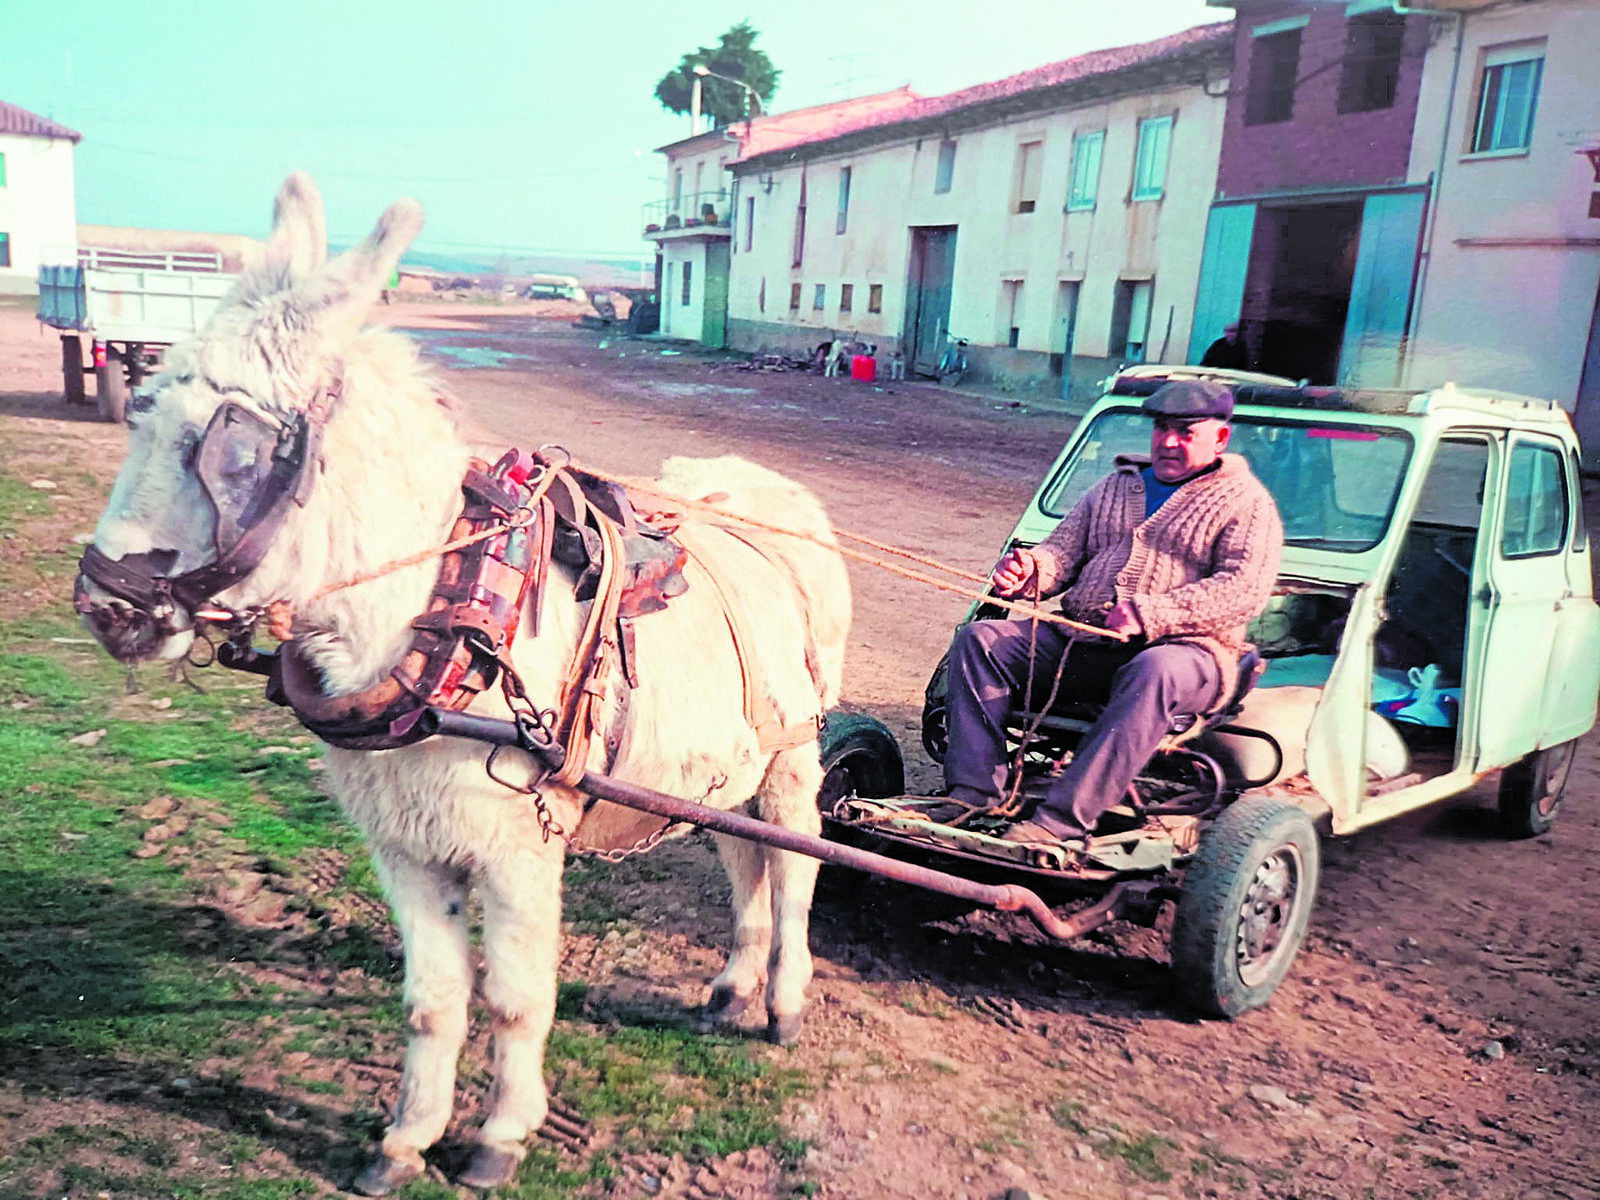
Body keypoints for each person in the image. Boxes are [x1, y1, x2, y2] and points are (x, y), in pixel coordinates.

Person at [941, 378, 1283, 844]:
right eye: (1162, 428)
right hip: (1084, 643)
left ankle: (1059, 822)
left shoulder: (1246, 503)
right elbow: (1062, 551)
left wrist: (1151, 613)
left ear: (1220, 438)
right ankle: (972, 795)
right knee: (981, 641)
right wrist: (1029, 571)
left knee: (1155, 669)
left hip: (1189, 655)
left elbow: (1244, 590)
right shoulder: (1115, 486)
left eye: (1186, 432)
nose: (1168, 441)